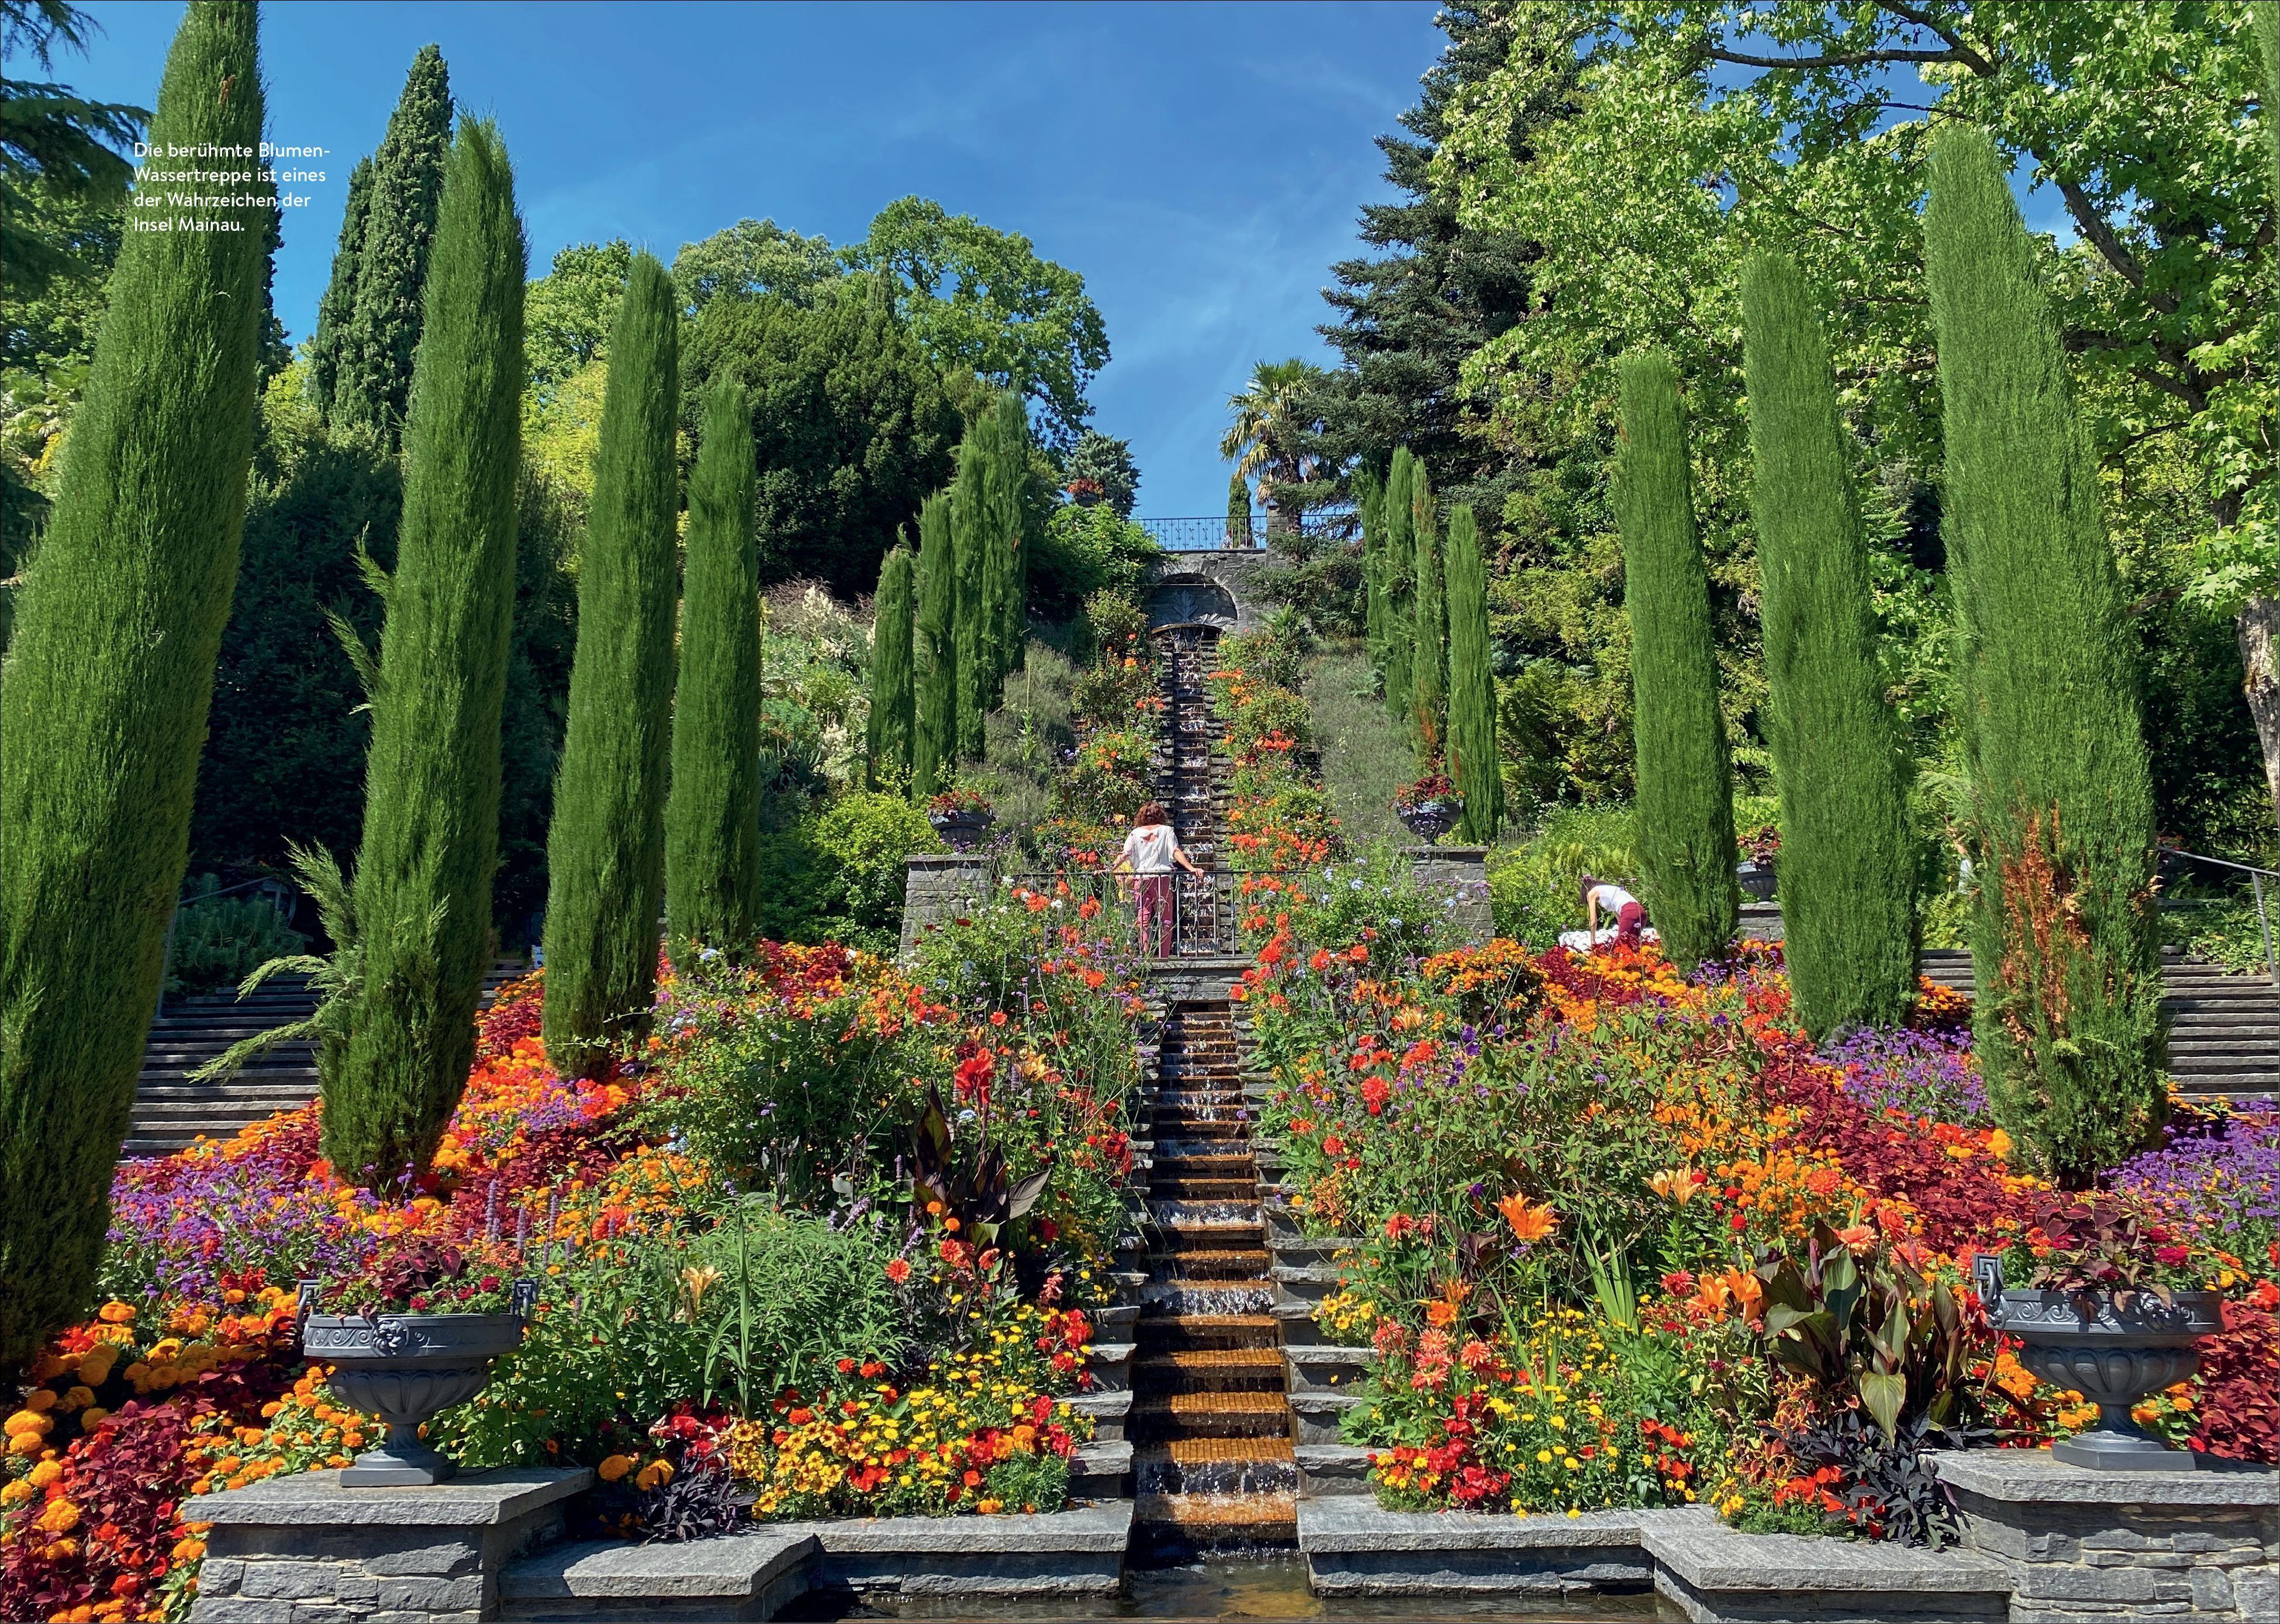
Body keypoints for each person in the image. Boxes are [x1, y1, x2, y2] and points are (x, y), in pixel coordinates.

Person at [1116, 801, 1205, 958]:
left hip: (1142, 878)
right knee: (1166, 920)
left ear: (1142, 816)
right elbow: (1175, 851)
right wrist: (1191, 868)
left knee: (1143, 919)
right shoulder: (1166, 831)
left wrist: (1108, 868)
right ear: (1160, 815)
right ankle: (1164, 956)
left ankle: (1145, 956)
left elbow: (1124, 855)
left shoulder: (1135, 834)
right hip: (1161, 878)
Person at [1581, 874, 1647, 948]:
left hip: (1629, 912)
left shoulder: (1592, 893)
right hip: (1641, 912)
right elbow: (1619, 919)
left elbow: (1593, 920)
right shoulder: (1609, 890)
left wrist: (1592, 941)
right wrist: (1619, 933)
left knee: (1621, 948)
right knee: (1632, 946)